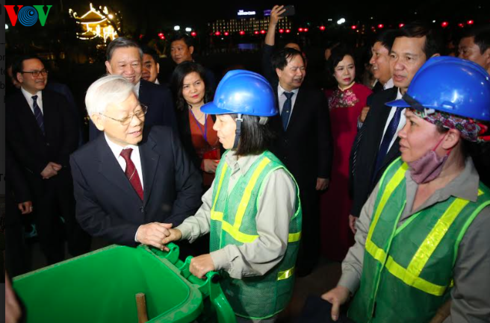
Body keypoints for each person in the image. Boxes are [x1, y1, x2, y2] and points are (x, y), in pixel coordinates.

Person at [322, 57, 490, 322]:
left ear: (449, 136)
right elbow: (365, 239)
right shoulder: (395, 172)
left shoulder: (480, 218)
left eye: (412, 123)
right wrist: (346, 286)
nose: (401, 133)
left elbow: (471, 312)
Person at [161, 70, 302, 323]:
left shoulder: (274, 178)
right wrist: (180, 232)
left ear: (245, 122)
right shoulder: (228, 159)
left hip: (256, 299)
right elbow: (209, 210)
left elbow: (271, 247)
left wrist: (217, 258)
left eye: (221, 121)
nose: (214, 128)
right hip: (227, 286)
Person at [70, 75, 202, 249]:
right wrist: (137, 233)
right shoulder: (83, 161)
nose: (137, 122)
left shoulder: (164, 138)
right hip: (124, 251)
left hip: (174, 241)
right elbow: (90, 216)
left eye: (139, 112)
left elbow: (191, 186)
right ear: (98, 120)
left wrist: (167, 230)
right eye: (125, 118)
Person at [349, 22, 442, 233]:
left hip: (407, 222)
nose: (397, 66)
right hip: (367, 211)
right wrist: (358, 206)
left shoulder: (440, 118)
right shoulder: (378, 101)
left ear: (432, 61)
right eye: (393, 56)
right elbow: (365, 158)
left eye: (408, 58)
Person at [6, 55, 91, 265]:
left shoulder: (58, 99)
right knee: (46, 225)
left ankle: (83, 261)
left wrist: (59, 162)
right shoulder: (10, 106)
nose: (40, 76)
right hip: (36, 179)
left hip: (65, 174)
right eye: (34, 72)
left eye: (43, 71)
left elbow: (72, 133)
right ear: (19, 76)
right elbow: (14, 144)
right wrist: (39, 167)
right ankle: (56, 265)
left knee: (76, 221)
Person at [269, 48, 333, 276]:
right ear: (278, 71)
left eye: (302, 68)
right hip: (273, 172)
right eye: (294, 68)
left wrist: (323, 172)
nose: (300, 73)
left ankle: (307, 263)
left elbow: (324, 137)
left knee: (307, 218)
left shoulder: (314, 97)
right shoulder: (266, 94)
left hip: (305, 172)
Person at [321, 47, 372, 261]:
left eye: (350, 67)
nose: (346, 72)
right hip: (333, 160)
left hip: (355, 159)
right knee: (331, 207)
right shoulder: (326, 96)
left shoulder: (367, 94)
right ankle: (329, 250)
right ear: (332, 72)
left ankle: (352, 255)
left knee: (351, 206)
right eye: (340, 68)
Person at [89, 37, 177, 140]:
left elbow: (172, 138)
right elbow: (96, 141)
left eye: (135, 64)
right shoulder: (98, 97)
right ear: (109, 67)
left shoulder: (161, 94)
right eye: (122, 65)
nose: (130, 71)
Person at [171, 61, 221, 190]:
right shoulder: (176, 117)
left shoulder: (219, 108)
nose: (193, 90)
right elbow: (177, 152)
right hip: (196, 180)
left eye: (197, 83)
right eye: (186, 86)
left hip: (225, 173)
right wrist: (200, 163)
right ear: (179, 90)